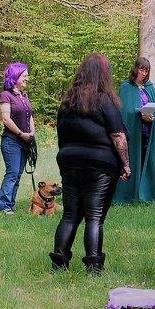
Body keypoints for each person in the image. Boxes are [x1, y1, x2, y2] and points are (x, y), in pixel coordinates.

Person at [51, 54, 131, 274]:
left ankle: (59, 262)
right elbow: (118, 135)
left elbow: (61, 134)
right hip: (99, 164)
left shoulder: (67, 102)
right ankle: (94, 265)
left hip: (69, 162)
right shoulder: (105, 100)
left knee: (70, 215)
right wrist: (126, 165)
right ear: (104, 75)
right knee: (94, 217)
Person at [114, 57, 155, 204]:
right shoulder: (126, 87)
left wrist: (151, 117)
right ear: (136, 69)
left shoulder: (150, 87)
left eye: (146, 70)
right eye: (142, 69)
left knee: (147, 158)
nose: (144, 73)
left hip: (148, 130)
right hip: (133, 131)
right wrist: (139, 114)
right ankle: (130, 192)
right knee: (133, 157)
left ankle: (148, 191)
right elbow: (124, 112)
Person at [0, 62, 34, 215]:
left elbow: (30, 116)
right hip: (11, 141)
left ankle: (10, 205)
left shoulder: (24, 96)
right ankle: (4, 206)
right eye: (24, 75)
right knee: (12, 173)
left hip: (25, 141)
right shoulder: (6, 95)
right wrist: (20, 134)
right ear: (15, 76)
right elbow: (6, 119)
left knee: (18, 174)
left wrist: (32, 134)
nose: (27, 78)